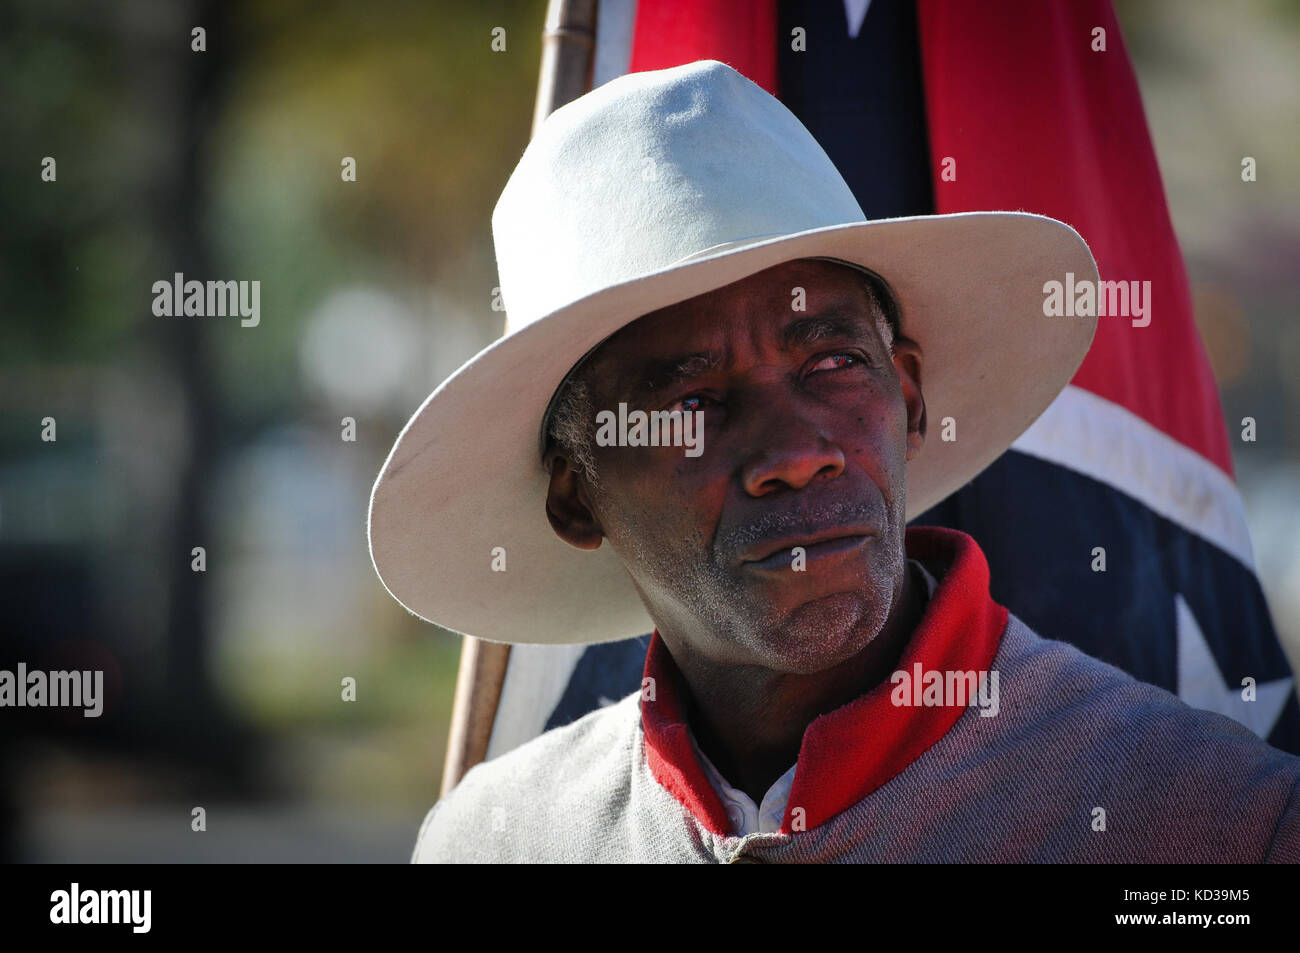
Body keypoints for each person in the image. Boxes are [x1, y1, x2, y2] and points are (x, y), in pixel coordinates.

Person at [368, 60, 1300, 862]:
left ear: (910, 392)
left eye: (832, 363)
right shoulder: (494, 840)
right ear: (577, 496)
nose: (797, 453)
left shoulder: (1214, 824)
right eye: (692, 403)